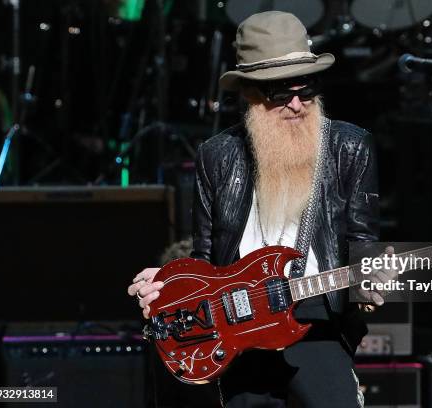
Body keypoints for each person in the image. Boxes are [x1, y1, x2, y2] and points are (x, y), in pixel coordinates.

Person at [128, 11, 391, 407]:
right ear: (249, 93)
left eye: (307, 89)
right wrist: (169, 287)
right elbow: (205, 258)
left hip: (314, 314)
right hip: (238, 323)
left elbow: (362, 237)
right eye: (281, 94)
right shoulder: (216, 155)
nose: (298, 105)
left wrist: (368, 281)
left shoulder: (348, 147)